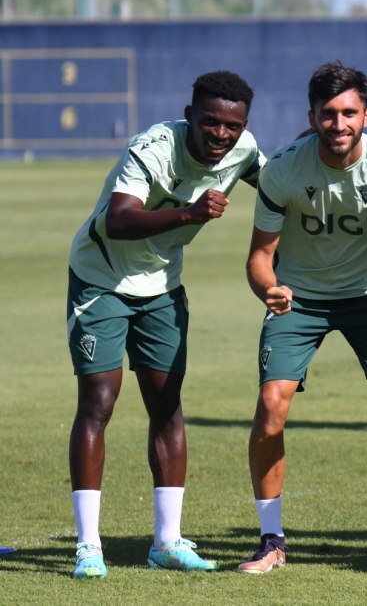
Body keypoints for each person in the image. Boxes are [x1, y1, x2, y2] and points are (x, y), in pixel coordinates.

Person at [65, 71, 265, 578]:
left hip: (162, 290)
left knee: (168, 406)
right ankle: (89, 546)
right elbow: (118, 219)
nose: (221, 135)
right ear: (190, 115)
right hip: (101, 280)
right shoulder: (152, 148)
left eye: (233, 126)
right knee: (98, 403)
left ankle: (167, 542)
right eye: (211, 122)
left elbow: (281, 183)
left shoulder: (244, 152)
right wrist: (187, 215)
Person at [239, 61, 367, 574]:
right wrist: (268, 288)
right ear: (312, 116)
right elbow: (260, 256)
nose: (338, 124)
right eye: (328, 114)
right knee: (270, 405)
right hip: (299, 297)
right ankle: (271, 539)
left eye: (349, 113)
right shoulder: (283, 169)